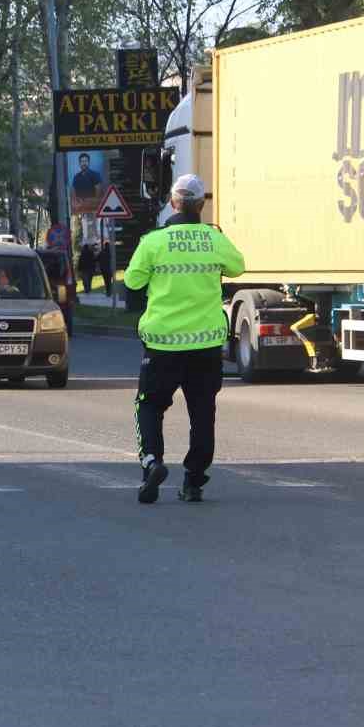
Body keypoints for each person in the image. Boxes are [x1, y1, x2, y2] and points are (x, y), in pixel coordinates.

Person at [124, 174, 245, 505]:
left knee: (149, 405)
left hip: (162, 344)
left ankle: (152, 462)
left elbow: (133, 283)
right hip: (205, 346)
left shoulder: (154, 241)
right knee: (202, 414)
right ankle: (193, 482)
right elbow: (238, 267)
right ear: (201, 205)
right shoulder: (213, 239)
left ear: (172, 203)